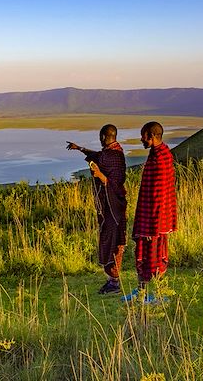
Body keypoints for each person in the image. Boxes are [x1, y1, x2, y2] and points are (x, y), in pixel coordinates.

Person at [66, 124, 127, 294]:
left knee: (114, 240)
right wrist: (79, 148)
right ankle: (112, 279)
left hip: (114, 207)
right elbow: (98, 156)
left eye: (102, 137)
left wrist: (100, 175)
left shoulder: (116, 155)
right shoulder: (109, 152)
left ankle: (114, 281)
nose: (100, 140)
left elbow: (116, 181)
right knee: (108, 238)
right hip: (107, 207)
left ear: (105, 137)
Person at [122, 121, 177, 304]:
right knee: (144, 257)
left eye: (143, 136)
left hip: (154, 222)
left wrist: (152, 228)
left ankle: (159, 295)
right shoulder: (158, 154)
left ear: (152, 136)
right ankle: (141, 293)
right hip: (150, 219)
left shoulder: (161, 159)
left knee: (153, 257)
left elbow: (159, 196)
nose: (141, 139)